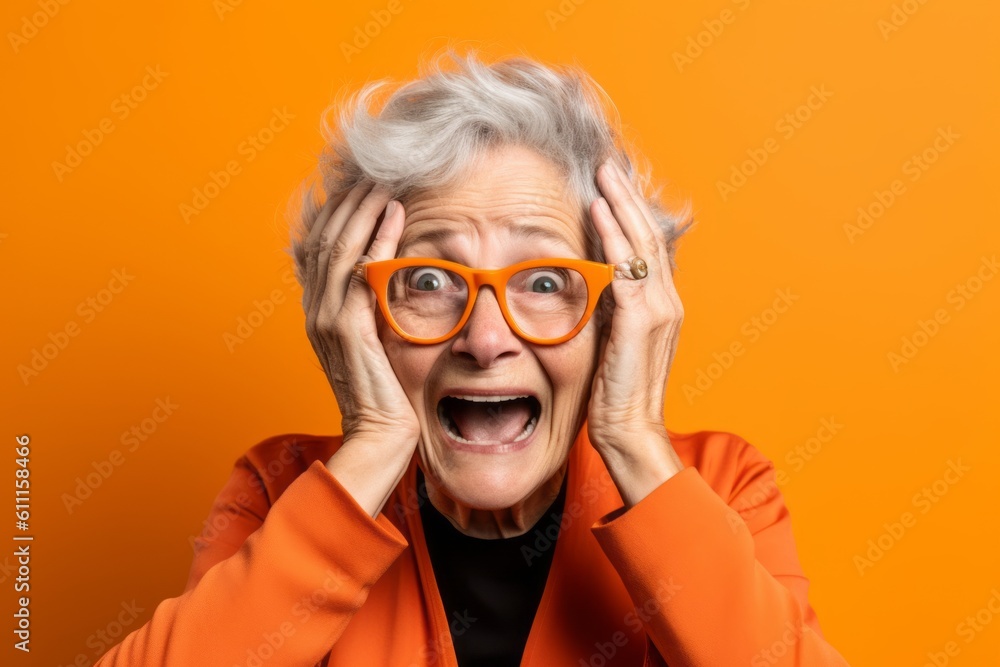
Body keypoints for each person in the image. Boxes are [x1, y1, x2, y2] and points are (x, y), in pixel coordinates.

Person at [96, 51, 850, 666]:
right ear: (355, 314)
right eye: (426, 281)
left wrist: (631, 437)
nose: (486, 340)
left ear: (616, 315)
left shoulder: (719, 487)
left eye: (546, 281)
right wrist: (370, 450)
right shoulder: (281, 491)